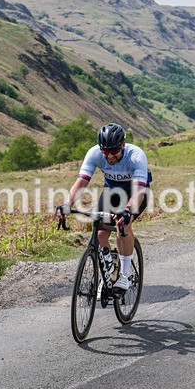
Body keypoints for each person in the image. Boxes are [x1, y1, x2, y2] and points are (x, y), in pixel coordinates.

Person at [56, 123, 151, 293]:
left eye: (114, 151)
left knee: (123, 225)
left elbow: (138, 193)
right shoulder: (94, 154)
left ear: (123, 145)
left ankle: (125, 275)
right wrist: (66, 205)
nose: (109, 156)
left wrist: (128, 211)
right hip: (112, 192)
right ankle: (109, 271)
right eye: (105, 151)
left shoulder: (136, 156)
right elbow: (81, 183)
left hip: (136, 193)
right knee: (100, 234)